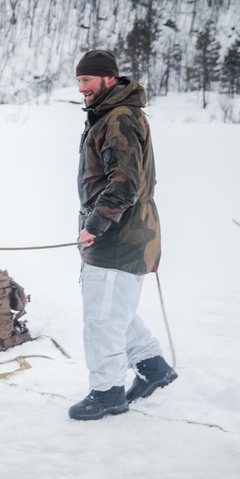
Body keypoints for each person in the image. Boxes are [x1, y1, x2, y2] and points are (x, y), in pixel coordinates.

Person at [69, 50, 178, 421]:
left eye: (87, 80)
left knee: (101, 319)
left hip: (119, 235)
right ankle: (153, 368)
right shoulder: (114, 114)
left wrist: (93, 226)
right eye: (80, 80)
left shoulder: (117, 118)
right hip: (125, 232)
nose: (81, 87)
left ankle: (107, 393)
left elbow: (124, 184)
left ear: (109, 79)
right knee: (115, 309)